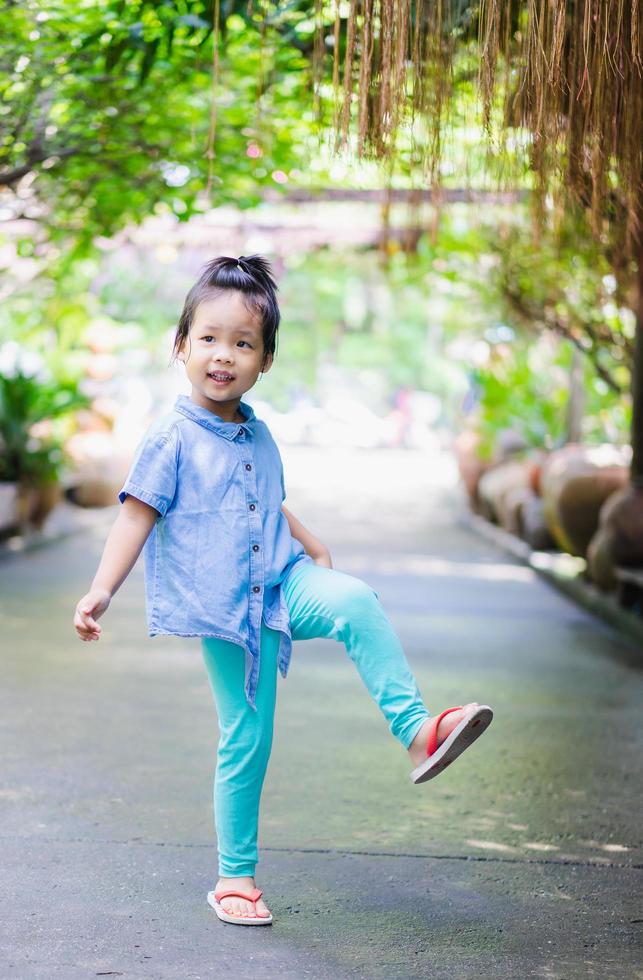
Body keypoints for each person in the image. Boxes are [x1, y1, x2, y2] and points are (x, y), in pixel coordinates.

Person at [73, 254, 493, 928]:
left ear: (264, 360)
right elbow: (135, 513)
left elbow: (260, 498)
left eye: (244, 344)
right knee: (248, 735)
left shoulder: (256, 429)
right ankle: (234, 878)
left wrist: (307, 536)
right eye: (208, 338)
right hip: (227, 608)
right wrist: (101, 591)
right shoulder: (171, 437)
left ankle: (417, 731)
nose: (223, 355)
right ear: (179, 347)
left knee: (355, 599)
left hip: (283, 579)